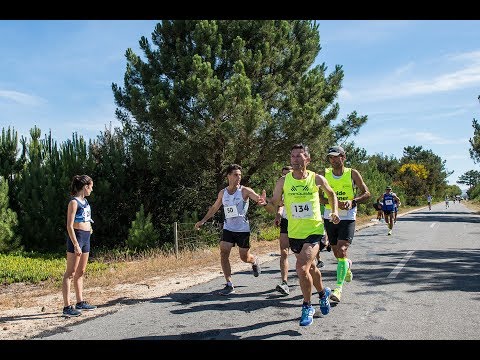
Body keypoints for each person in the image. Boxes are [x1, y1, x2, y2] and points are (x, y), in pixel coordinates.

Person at [261, 144, 340, 327]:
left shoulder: (316, 178)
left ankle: (307, 306)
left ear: (308, 159)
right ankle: (322, 294)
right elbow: (274, 206)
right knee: (311, 268)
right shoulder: (283, 181)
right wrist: (265, 204)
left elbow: (331, 194)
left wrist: (334, 211)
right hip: (294, 232)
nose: (295, 159)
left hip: (314, 230)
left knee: (301, 268)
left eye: (299, 156)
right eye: (292, 156)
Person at [194, 164, 263, 296]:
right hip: (228, 228)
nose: (238, 177)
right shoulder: (223, 193)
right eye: (236, 175)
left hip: (242, 229)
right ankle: (229, 284)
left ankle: (254, 261)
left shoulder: (244, 191)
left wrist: (262, 201)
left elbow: (257, 198)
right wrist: (202, 220)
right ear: (229, 176)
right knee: (224, 252)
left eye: (240, 175)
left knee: (244, 257)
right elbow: (214, 208)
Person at [319, 145, 371, 304]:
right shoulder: (324, 174)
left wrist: (352, 201)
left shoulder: (352, 173)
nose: (333, 160)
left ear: (343, 157)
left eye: (336, 156)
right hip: (330, 215)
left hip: (348, 216)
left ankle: (338, 289)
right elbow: (318, 197)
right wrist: (333, 203)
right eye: (331, 157)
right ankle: (347, 265)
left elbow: (367, 193)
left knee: (342, 249)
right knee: (336, 252)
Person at [62, 175, 97, 317]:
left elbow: (85, 218)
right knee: (70, 273)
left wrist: (89, 228)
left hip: (86, 237)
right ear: (85, 186)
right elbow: (69, 226)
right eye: (91, 186)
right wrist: (76, 244)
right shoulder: (73, 203)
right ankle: (66, 306)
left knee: (81, 271)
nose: (92, 189)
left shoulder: (86, 202)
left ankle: (80, 302)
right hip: (76, 238)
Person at [274, 166, 293, 296]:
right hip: (286, 221)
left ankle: (310, 277)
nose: (285, 177)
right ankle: (284, 283)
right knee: (284, 252)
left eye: (288, 174)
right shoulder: (282, 187)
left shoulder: (303, 184)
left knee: (304, 255)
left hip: (302, 223)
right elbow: (280, 204)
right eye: (283, 175)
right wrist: (278, 215)